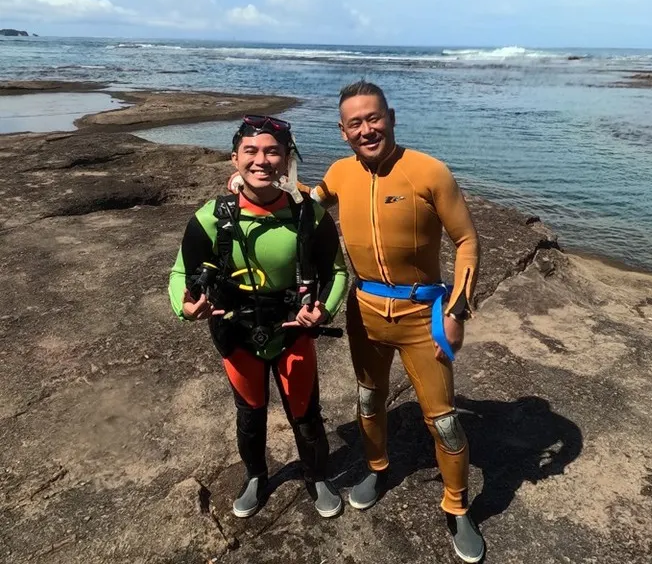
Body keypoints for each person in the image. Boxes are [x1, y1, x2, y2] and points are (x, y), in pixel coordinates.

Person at [311, 81, 486, 562]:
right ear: (343, 131)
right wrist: (249, 181)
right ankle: (376, 466)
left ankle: (458, 506)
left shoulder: (429, 171)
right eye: (355, 123)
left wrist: (456, 311)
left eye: (374, 118)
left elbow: (467, 241)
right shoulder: (340, 173)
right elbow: (306, 201)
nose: (367, 129)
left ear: (391, 116)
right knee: (369, 397)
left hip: (421, 315)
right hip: (364, 310)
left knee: (445, 421)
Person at [168, 114, 349, 519]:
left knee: (305, 414)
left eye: (273, 152)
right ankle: (256, 475)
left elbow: (338, 272)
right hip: (236, 331)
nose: (261, 160)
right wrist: (184, 306)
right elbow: (180, 271)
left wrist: (324, 308)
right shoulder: (211, 217)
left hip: (293, 332)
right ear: (235, 158)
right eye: (251, 151)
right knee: (249, 413)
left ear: (287, 160)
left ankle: (317, 476)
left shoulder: (310, 217)